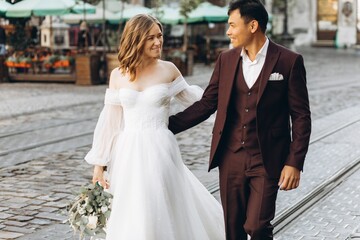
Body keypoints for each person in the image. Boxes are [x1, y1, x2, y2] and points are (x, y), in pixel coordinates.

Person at [168, 0, 312, 239]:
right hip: (230, 156)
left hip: (266, 158)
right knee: (232, 230)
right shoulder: (225, 60)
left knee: (257, 227)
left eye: (233, 25)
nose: (228, 31)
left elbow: (301, 117)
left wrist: (294, 162)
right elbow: (207, 104)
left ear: (253, 25)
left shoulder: (289, 61)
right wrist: (166, 125)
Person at [84, 14, 225, 240]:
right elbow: (110, 121)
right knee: (132, 209)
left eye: (160, 36)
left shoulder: (169, 70)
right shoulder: (118, 75)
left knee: (159, 203)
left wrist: (230, 108)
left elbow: (198, 103)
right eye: (150, 37)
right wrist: (99, 165)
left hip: (160, 148)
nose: (158, 42)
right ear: (136, 39)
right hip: (127, 152)